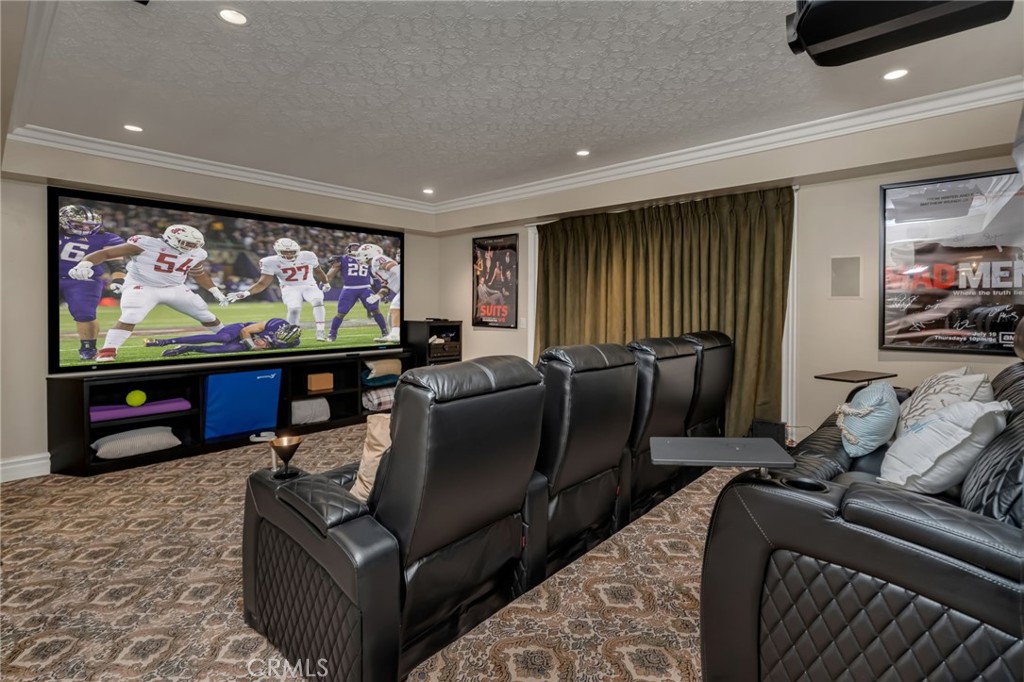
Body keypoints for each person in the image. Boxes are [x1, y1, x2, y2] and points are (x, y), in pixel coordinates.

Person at [67, 224, 229, 363]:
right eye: (187, 243)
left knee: (204, 313)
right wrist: (85, 263)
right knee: (132, 314)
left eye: (195, 244)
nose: (191, 247)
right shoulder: (145, 243)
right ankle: (109, 349)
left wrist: (215, 290)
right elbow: (107, 253)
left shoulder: (198, 253)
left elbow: (198, 272)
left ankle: (229, 336)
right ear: (171, 238)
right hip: (142, 284)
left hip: (174, 287)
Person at [56, 205, 127, 360]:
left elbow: (116, 264)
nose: (86, 228)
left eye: (90, 225)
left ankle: (88, 348)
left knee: (85, 313)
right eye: (79, 224)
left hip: (83, 280)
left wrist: (119, 279)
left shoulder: (106, 238)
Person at [226, 237, 331, 340]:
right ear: (278, 251)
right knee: (294, 308)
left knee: (317, 301)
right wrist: (246, 293)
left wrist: (326, 283)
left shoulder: (308, 255)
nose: (289, 254)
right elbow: (262, 283)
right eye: (285, 252)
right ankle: (292, 333)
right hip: (289, 287)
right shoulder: (270, 262)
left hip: (309, 284)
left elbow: (318, 271)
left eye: (292, 251)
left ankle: (320, 331)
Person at [323, 243, 389, 341]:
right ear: (348, 250)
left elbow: (377, 277)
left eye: (357, 248)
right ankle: (332, 334)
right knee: (341, 312)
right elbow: (329, 275)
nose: (355, 249)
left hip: (365, 288)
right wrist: (323, 284)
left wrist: (383, 293)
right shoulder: (342, 259)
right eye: (353, 247)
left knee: (375, 310)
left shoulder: (368, 259)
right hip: (349, 289)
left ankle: (385, 332)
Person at [146, 318, 301, 356]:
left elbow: (270, 347)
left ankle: (188, 348)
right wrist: (252, 346)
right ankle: (164, 341)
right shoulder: (275, 323)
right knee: (223, 339)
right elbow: (246, 331)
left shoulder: (292, 344)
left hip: (253, 341)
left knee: (228, 349)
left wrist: (263, 346)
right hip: (240, 330)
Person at [353, 243, 401, 343]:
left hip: (405, 287)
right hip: (401, 289)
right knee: (391, 315)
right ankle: (393, 335)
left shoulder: (376, 259)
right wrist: (377, 296)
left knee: (395, 306)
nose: (358, 257)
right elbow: (386, 287)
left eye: (361, 254)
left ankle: (395, 335)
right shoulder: (373, 268)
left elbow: (395, 269)